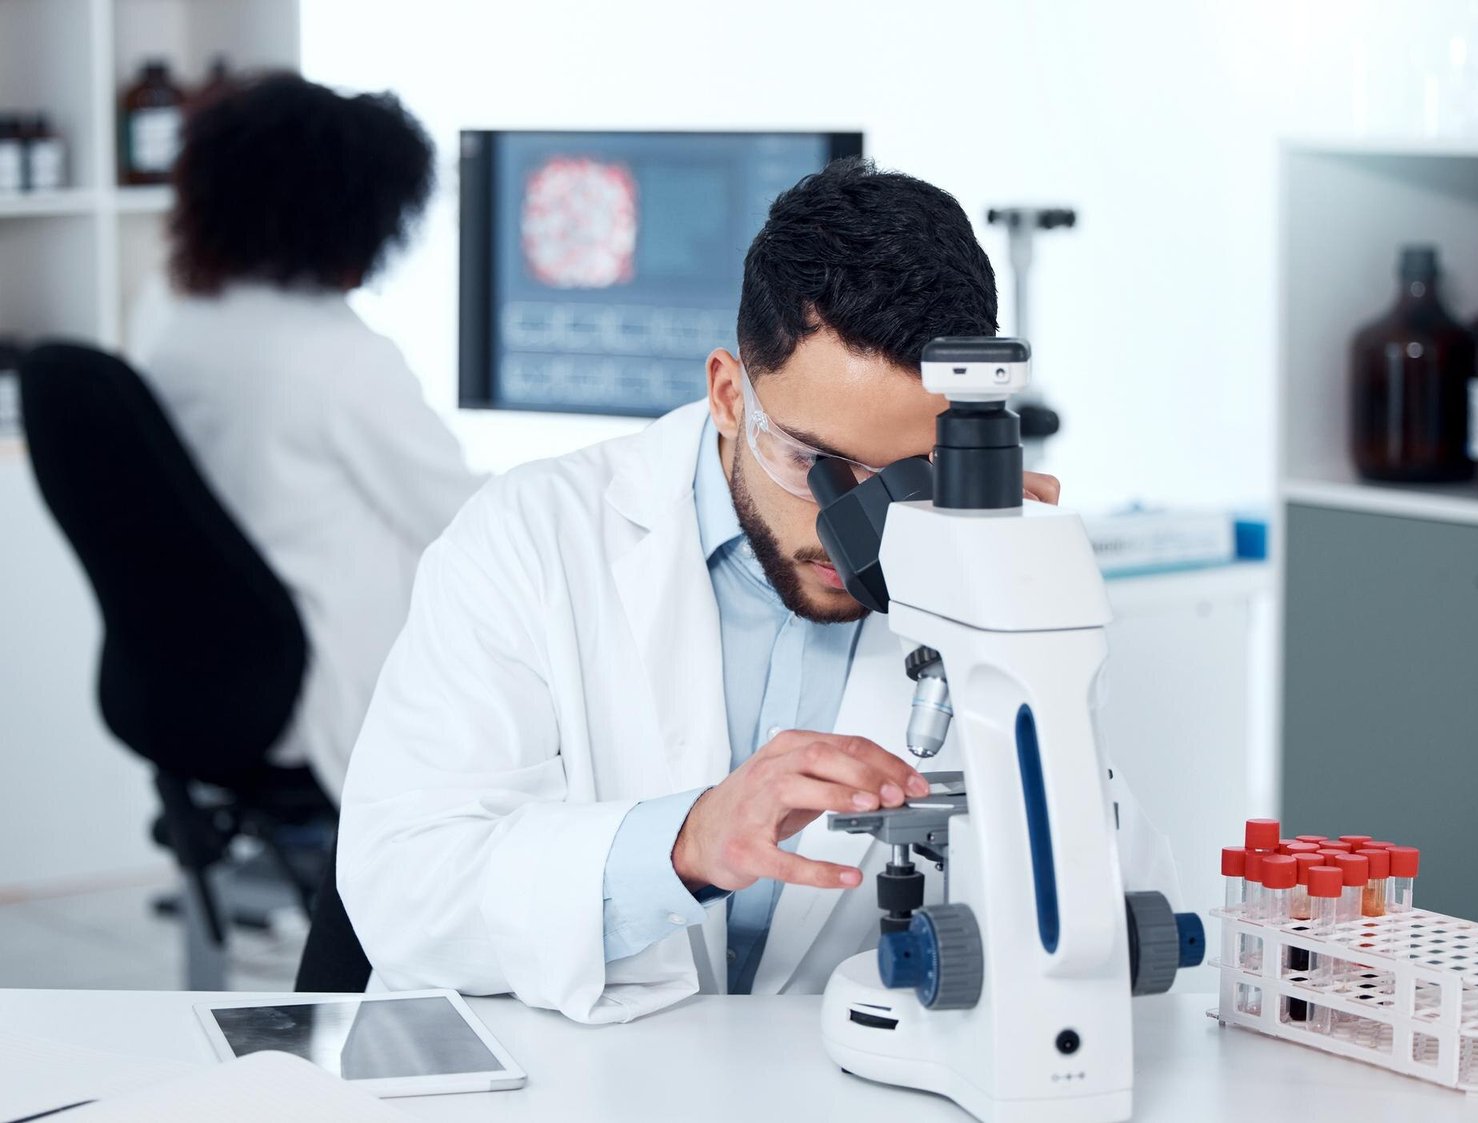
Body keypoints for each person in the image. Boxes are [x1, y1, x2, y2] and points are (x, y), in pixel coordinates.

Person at [339, 158, 1177, 1022]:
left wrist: (1025, 625)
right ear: (729, 394)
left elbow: (1117, 914)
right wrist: (685, 843)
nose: (853, 526)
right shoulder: (530, 536)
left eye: (908, 476)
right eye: (811, 463)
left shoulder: (992, 574)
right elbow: (403, 886)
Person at [128, 74, 482, 798]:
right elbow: (470, 524)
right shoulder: (339, 357)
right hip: (328, 694)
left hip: (207, 677)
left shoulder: (175, 323)